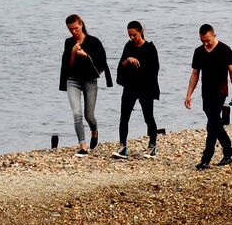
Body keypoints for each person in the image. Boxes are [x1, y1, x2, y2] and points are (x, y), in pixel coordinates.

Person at [185, 24, 232, 170]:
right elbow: (195, 74)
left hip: (220, 92)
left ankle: (206, 159)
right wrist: (189, 94)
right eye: (203, 40)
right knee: (215, 123)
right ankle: (229, 153)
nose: (205, 43)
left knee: (212, 124)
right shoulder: (199, 52)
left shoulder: (225, 50)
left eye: (208, 40)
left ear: (214, 36)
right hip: (206, 93)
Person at [59, 14, 112, 156]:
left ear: (81, 24)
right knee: (77, 113)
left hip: (89, 80)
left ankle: (94, 131)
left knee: (89, 116)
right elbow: (67, 66)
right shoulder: (68, 42)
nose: (74, 32)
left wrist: (86, 55)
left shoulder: (94, 41)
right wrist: (73, 53)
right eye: (70, 29)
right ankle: (83, 146)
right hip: (73, 80)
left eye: (76, 28)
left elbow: (101, 63)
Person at [113, 20, 160, 159]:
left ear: (140, 31)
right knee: (124, 117)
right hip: (130, 86)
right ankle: (123, 146)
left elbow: (155, 69)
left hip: (145, 88)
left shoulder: (150, 48)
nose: (132, 38)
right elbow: (121, 64)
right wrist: (129, 60)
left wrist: (147, 82)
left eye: (134, 34)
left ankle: (152, 146)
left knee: (148, 117)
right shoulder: (128, 46)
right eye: (129, 35)